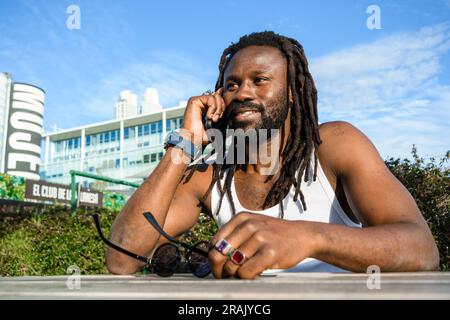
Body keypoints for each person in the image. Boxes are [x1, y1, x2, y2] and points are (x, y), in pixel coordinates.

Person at [106, 31, 439, 279]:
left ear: (292, 92)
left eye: (259, 80)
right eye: (232, 85)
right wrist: (184, 143)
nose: (243, 92)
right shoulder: (211, 174)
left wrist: (309, 237)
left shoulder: (335, 145)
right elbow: (122, 259)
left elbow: (422, 250)